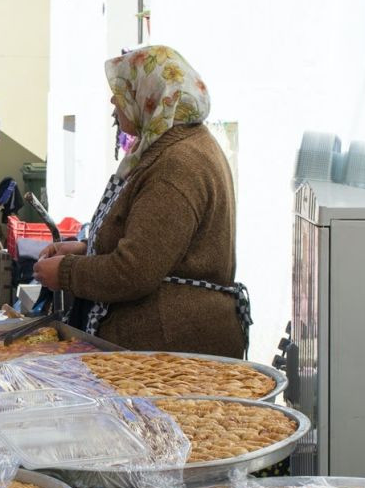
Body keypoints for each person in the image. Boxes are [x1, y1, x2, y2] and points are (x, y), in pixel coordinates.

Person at [33, 45, 249, 357]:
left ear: (152, 95)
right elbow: (156, 247)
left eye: (123, 91)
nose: (113, 101)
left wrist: (66, 273)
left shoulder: (178, 164)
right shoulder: (172, 148)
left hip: (171, 351)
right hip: (165, 345)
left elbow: (135, 271)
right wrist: (86, 249)